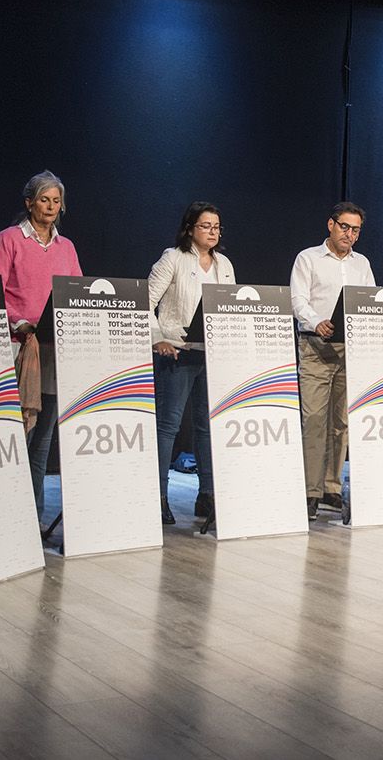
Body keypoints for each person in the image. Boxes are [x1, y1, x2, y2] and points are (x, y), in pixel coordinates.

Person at [0, 170, 82, 524]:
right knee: (17, 436)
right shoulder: (9, 239)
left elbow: (76, 292)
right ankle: (4, 518)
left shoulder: (66, 247)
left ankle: (33, 519)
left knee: (42, 442)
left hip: (53, 351)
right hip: (18, 347)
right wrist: (18, 322)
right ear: (29, 203)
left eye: (57, 201)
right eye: (44, 199)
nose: (51, 207)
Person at [149, 201, 235, 526]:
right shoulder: (172, 259)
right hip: (177, 352)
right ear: (190, 229)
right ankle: (157, 496)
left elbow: (227, 305)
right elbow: (145, 302)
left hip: (210, 355)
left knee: (207, 427)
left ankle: (207, 496)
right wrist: (158, 337)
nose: (212, 232)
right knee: (168, 426)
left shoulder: (224, 264)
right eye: (205, 226)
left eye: (216, 227)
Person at [290, 201, 374, 521]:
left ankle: (331, 486)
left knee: (341, 422)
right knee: (314, 419)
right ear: (331, 225)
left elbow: (368, 299)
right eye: (344, 227)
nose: (349, 235)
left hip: (348, 350)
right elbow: (298, 299)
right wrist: (315, 321)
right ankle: (310, 491)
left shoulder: (361, 263)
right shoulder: (308, 258)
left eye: (355, 230)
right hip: (315, 346)